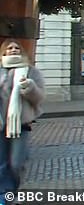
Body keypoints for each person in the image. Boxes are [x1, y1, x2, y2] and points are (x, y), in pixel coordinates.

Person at [0, 39, 45, 200]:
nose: (13, 50)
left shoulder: (30, 71)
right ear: (3, 52)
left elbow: (39, 98)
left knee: (16, 163)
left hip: (21, 124)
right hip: (0, 124)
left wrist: (29, 87)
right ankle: (6, 194)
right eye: (9, 48)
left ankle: (14, 189)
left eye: (16, 47)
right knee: (1, 164)